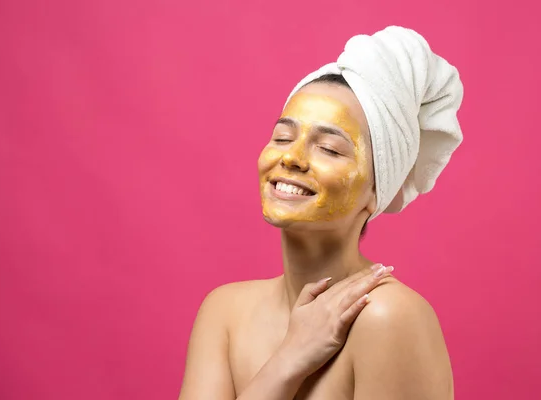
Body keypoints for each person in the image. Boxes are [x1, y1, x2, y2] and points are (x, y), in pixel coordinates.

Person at [179, 25, 463, 399]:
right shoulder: (224, 312)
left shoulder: (388, 317)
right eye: (282, 137)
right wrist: (290, 359)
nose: (291, 158)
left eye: (329, 148)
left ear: (377, 191)